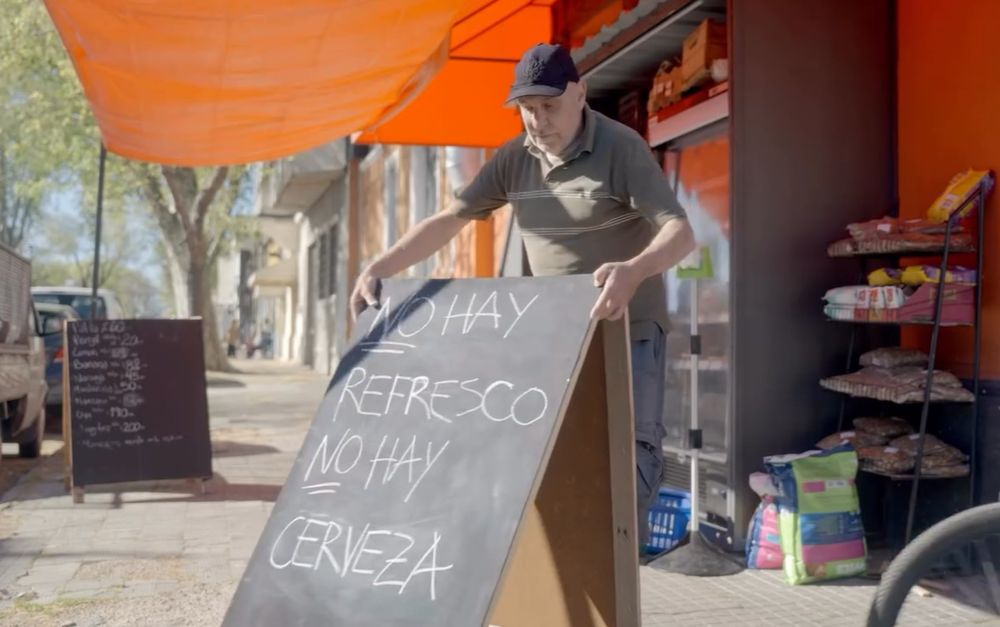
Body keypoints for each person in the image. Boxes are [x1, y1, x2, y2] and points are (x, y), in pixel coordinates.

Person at [350, 43, 695, 548]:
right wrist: (381, 266)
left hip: (629, 327)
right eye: (527, 110)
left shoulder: (622, 149)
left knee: (630, 454)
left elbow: (681, 233)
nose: (537, 121)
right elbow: (450, 219)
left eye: (548, 106)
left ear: (581, 94)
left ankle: (621, 559)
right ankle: (571, 559)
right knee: (557, 451)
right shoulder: (515, 158)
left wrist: (635, 270)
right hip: (556, 332)